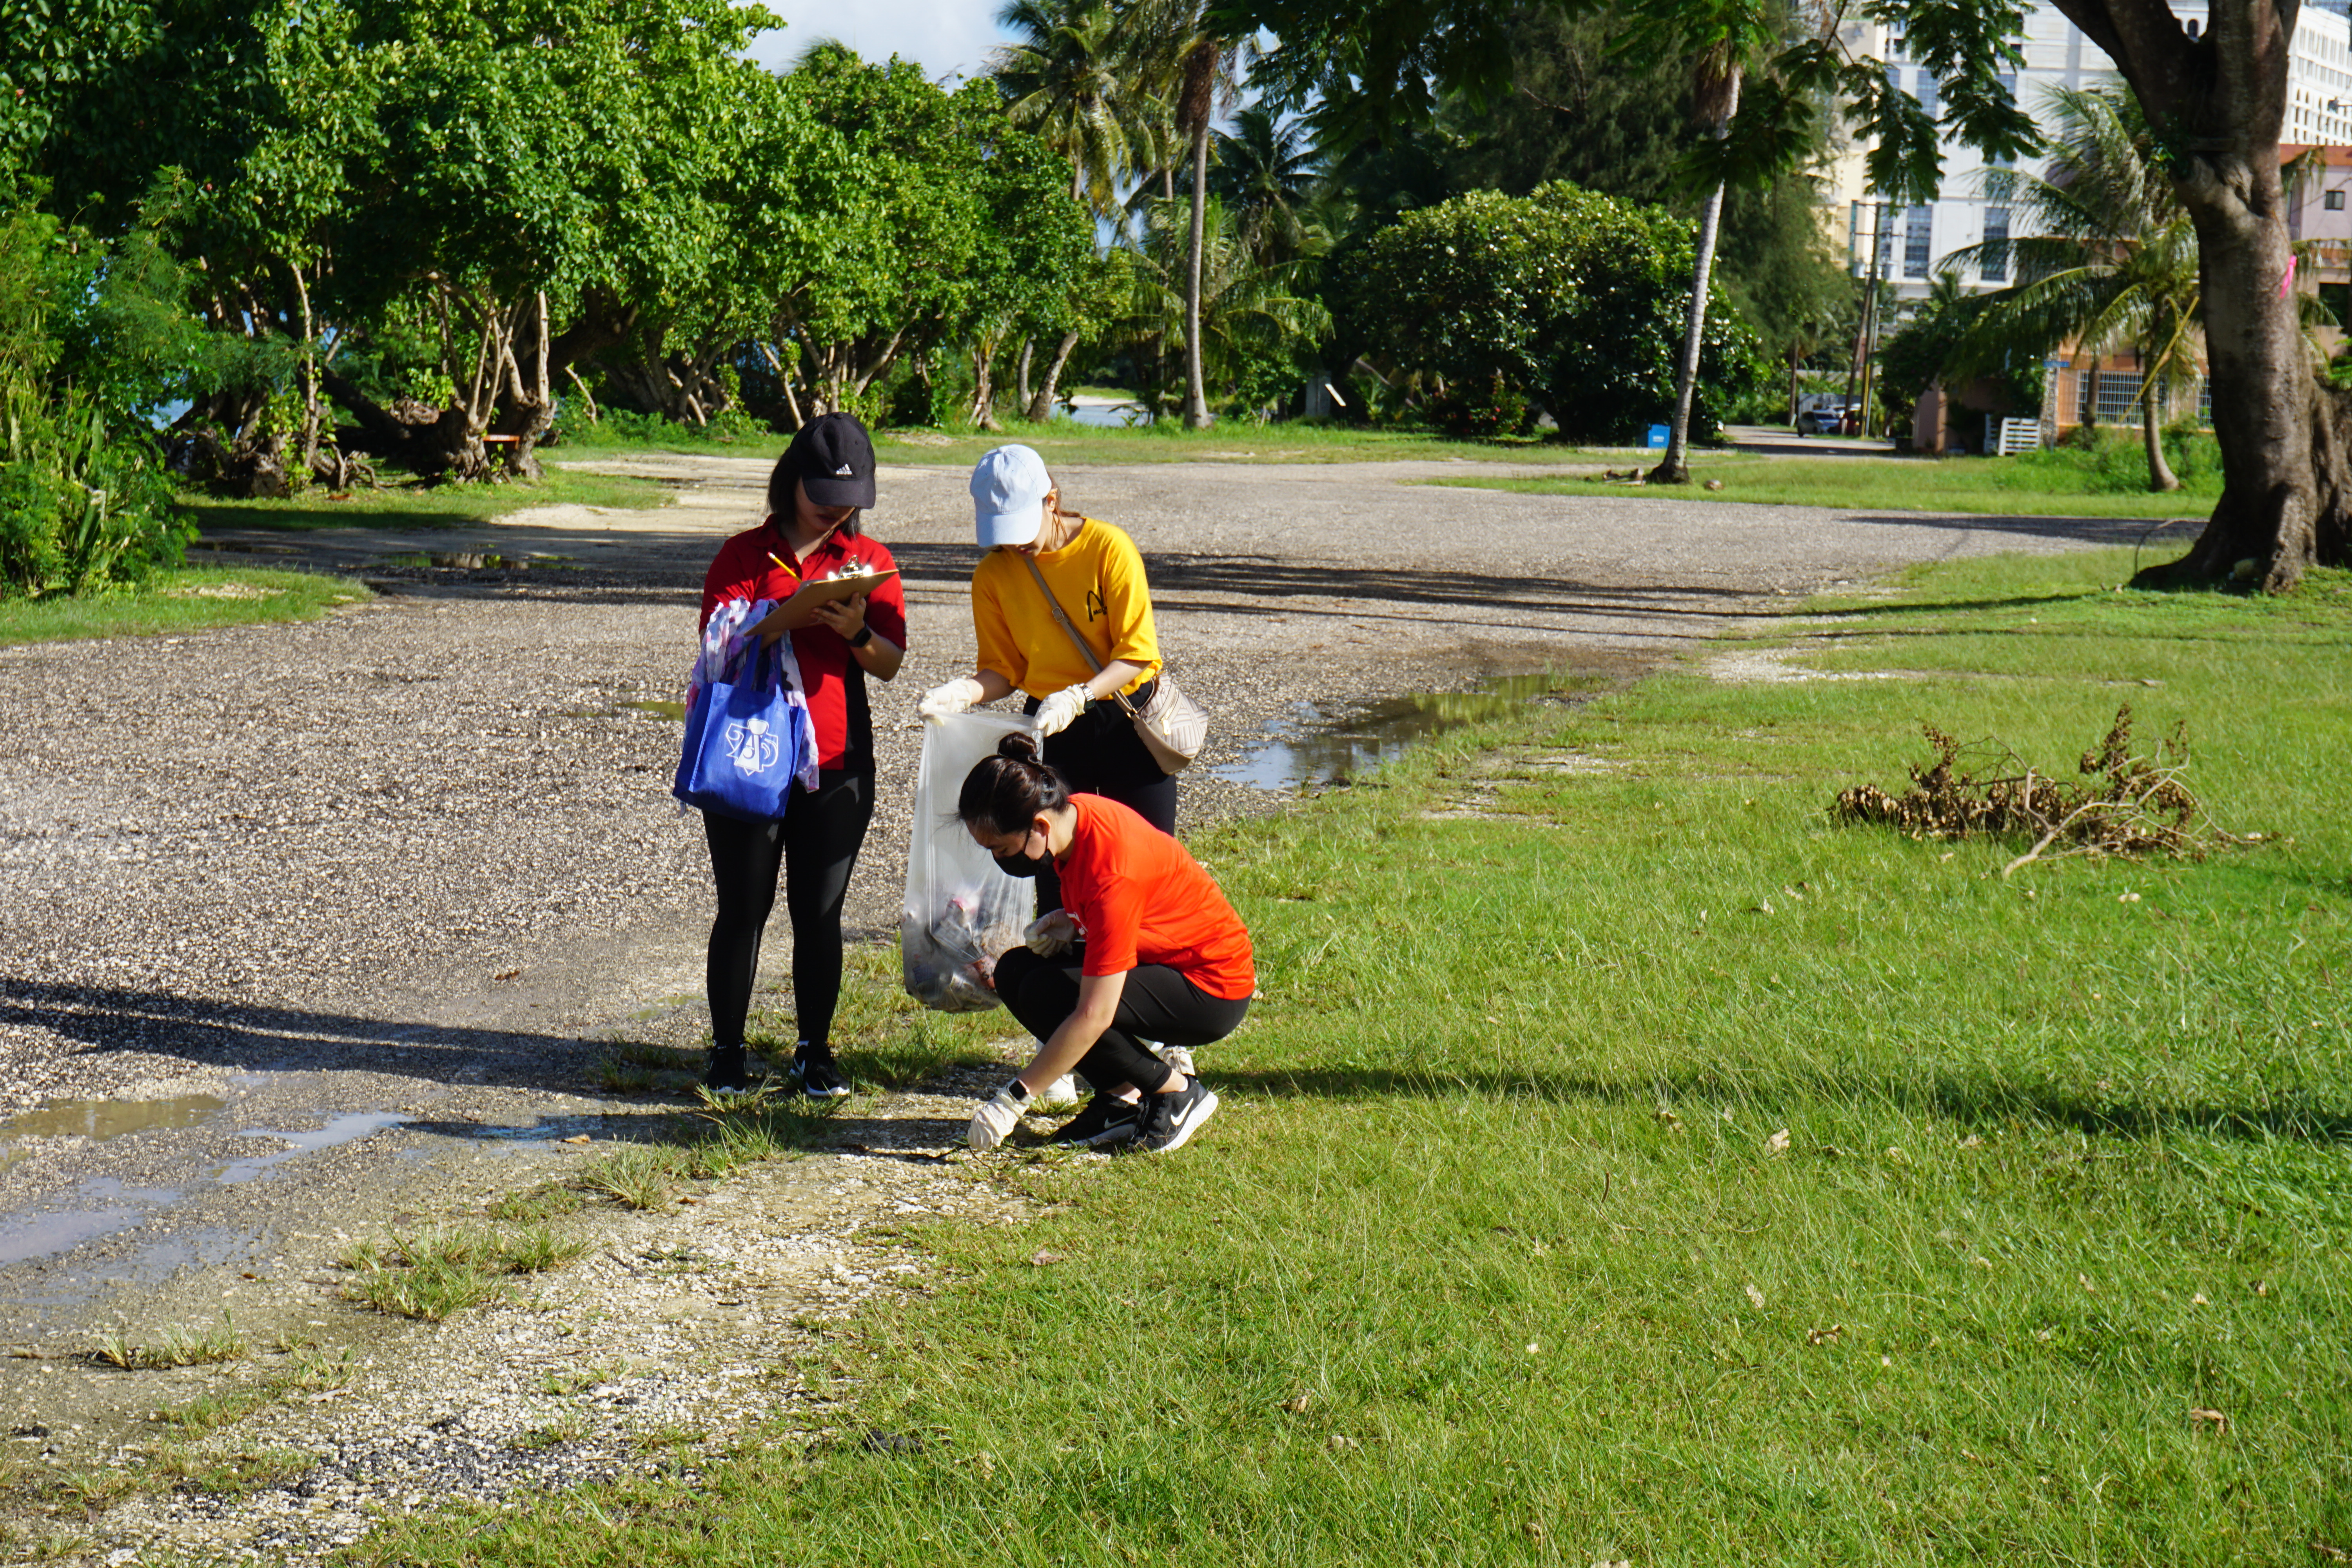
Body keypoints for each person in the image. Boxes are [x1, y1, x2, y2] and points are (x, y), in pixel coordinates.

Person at [694, 412, 905, 1096]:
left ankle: (816, 1051)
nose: (836, 512)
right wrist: (769, 619)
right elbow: (714, 646)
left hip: (839, 760)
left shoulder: (868, 560)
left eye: (849, 500)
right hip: (749, 755)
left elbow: (891, 662)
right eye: (823, 498)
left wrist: (854, 630)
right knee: (742, 908)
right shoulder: (742, 555)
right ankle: (728, 1050)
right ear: (790, 483)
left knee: (820, 913)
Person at [957, 733, 1251, 1154]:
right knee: (1016, 972)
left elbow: (1096, 1014)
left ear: (1039, 826)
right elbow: (1126, 911)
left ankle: (1175, 1092)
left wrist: (1013, 1099)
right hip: (1167, 960)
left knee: (1055, 993)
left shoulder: (1113, 868)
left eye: (1002, 848)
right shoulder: (1075, 818)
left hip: (1212, 986)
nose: (999, 860)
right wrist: (1072, 921)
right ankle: (1121, 1098)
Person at [917, 444, 1174, 921]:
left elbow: (1136, 653)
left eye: (1020, 526)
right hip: (1054, 726)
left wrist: (1080, 693)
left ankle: (1146, 975)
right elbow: (1004, 668)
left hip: (1124, 716)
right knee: (1054, 861)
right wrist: (964, 692)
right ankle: (1067, 966)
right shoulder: (993, 575)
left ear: (1051, 499)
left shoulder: (1108, 548)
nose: (1014, 545)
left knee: (1146, 856)